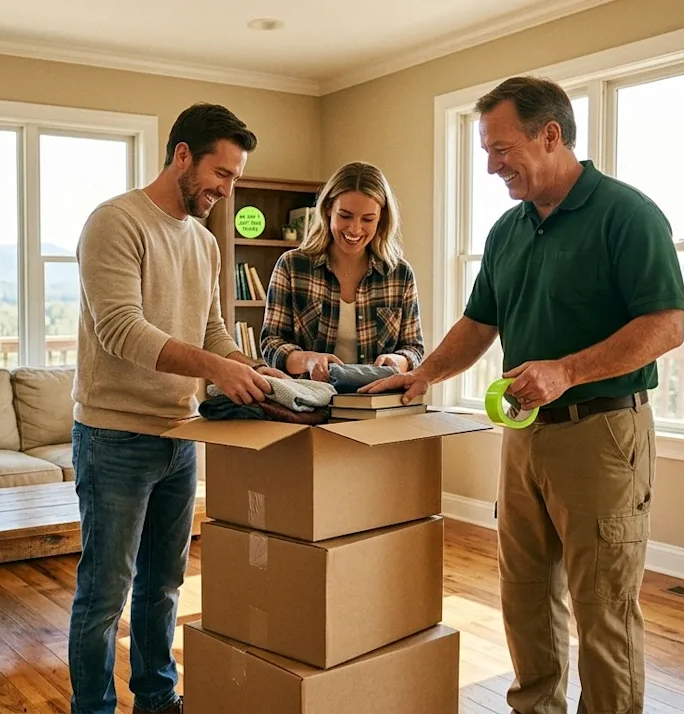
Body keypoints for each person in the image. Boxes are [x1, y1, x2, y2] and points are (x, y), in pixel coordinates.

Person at [363, 76, 684, 714]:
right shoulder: (509, 230)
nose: (491, 166)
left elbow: (666, 325)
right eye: (486, 151)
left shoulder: (627, 214)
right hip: (525, 432)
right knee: (526, 591)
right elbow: (481, 323)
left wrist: (566, 371)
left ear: (551, 135)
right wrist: (426, 373)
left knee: (604, 608)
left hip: (602, 434)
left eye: (502, 148)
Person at [69, 102, 287, 714]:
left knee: (163, 587)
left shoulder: (205, 242)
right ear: (182, 156)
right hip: (113, 438)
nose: (228, 188)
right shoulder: (115, 222)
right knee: (104, 594)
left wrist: (247, 365)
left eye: (236, 176)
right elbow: (120, 330)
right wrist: (216, 369)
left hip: (180, 435)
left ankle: (157, 700)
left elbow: (214, 329)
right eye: (222, 173)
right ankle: (92, 708)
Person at [258, 161, 424, 384]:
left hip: (377, 401)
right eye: (345, 216)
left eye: (367, 219)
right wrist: (308, 360)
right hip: (309, 400)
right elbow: (272, 343)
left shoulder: (400, 274)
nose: (355, 229)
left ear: (381, 219)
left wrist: (397, 361)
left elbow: (414, 348)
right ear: (328, 210)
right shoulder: (292, 266)